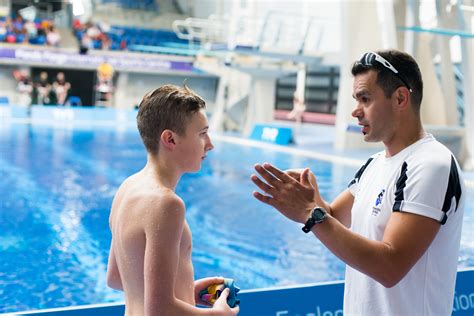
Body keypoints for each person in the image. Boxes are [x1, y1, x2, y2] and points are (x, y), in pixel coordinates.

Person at [251, 49, 465, 315]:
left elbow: (390, 266)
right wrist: (311, 196)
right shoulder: (374, 165)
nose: (355, 111)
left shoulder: (432, 164)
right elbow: (333, 218)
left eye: (365, 99)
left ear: (400, 98)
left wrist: (310, 213)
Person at [106, 84, 239, 315]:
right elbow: (159, 310)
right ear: (170, 139)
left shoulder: (127, 188)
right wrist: (218, 314)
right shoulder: (167, 203)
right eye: (202, 133)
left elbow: (118, 278)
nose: (210, 143)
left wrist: (187, 291)